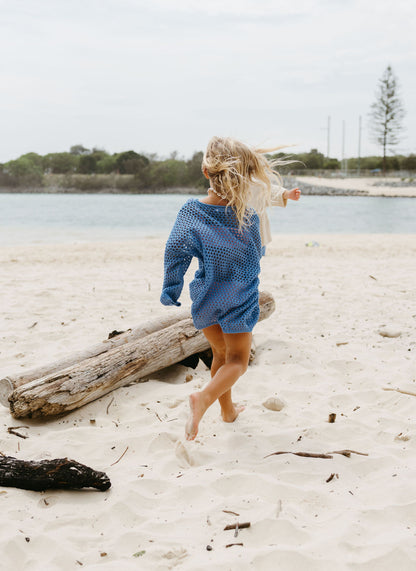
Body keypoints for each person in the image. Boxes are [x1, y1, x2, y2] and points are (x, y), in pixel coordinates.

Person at [160, 136, 300, 441]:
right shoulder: (246, 215)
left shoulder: (190, 211)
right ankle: (204, 398)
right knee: (237, 361)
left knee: (219, 356)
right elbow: (253, 258)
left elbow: (175, 250)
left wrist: (171, 288)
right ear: (246, 174)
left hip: (205, 297)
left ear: (205, 171)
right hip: (239, 298)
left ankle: (228, 411)